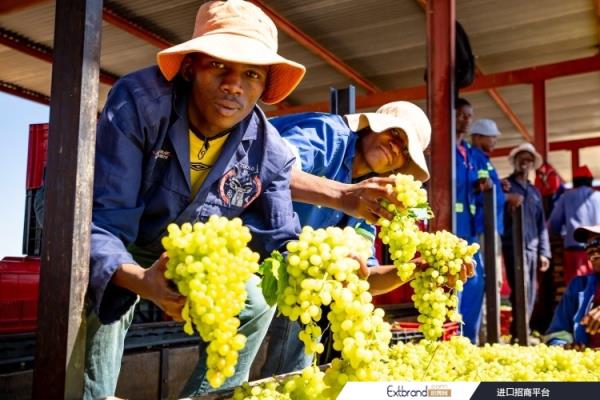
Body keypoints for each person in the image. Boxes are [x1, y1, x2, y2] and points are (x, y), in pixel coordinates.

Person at [86, 1, 307, 398]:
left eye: (251, 74)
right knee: (104, 300)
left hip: (173, 241)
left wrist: (334, 269)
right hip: (101, 222)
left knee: (256, 303)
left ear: (264, 85)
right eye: (219, 66)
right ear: (189, 68)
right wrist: (140, 280)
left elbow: (281, 242)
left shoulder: (270, 151)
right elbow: (102, 219)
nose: (234, 85)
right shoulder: (140, 103)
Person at [258, 101, 434, 377]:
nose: (395, 147)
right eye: (395, 134)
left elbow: (365, 277)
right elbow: (268, 173)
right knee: (225, 377)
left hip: (289, 278)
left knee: (314, 291)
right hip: (247, 255)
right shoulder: (329, 134)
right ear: (373, 126)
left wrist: (417, 269)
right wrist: (344, 195)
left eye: (404, 151)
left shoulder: (370, 198)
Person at [501, 142, 551, 341]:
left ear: (532, 165)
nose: (525, 162)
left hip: (532, 247)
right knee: (519, 289)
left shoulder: (535, 192)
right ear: (515, 161)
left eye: (529, 159)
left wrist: (544, 252)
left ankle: (522, 330)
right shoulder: (505, 186)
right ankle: (519, 332)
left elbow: (542, 225)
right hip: (513, 246)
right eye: (522, 158)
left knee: (531, 291)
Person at [469, 118, 506, 343]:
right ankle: (486, 336)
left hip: (493, 227)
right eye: (491, 136)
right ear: (479, 137)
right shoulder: (473, 158)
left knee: (494, 281)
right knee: (486, 280)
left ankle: (490, 334)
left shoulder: (485, 160)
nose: (494, 140)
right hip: (484, 227)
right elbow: (474, 186)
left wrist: (502, 188)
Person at [454, 98, 488, 344]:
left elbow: (486, 178)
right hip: (447, 228)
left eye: (469, 115)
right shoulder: (436, 149)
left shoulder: (472, 155)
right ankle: (450, 339)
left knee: (476, 281)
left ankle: (470, 341)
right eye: (462, 114)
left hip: (470, 230)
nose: (467, 119)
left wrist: (484, 184)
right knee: (453, 284)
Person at [545, 224, 600, 349]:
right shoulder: (578, 286)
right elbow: (557, 331)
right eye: (588, 246)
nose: (593, 251)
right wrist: (562, 346)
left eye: (598, 243)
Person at [548, 165, 600, 285]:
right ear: (590, 180)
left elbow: (554, 223)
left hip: (574, 252)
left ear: (575, 181)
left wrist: (557, 234)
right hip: (598, 251)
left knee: (575, 288)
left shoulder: (566, 197)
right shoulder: (598, 196)